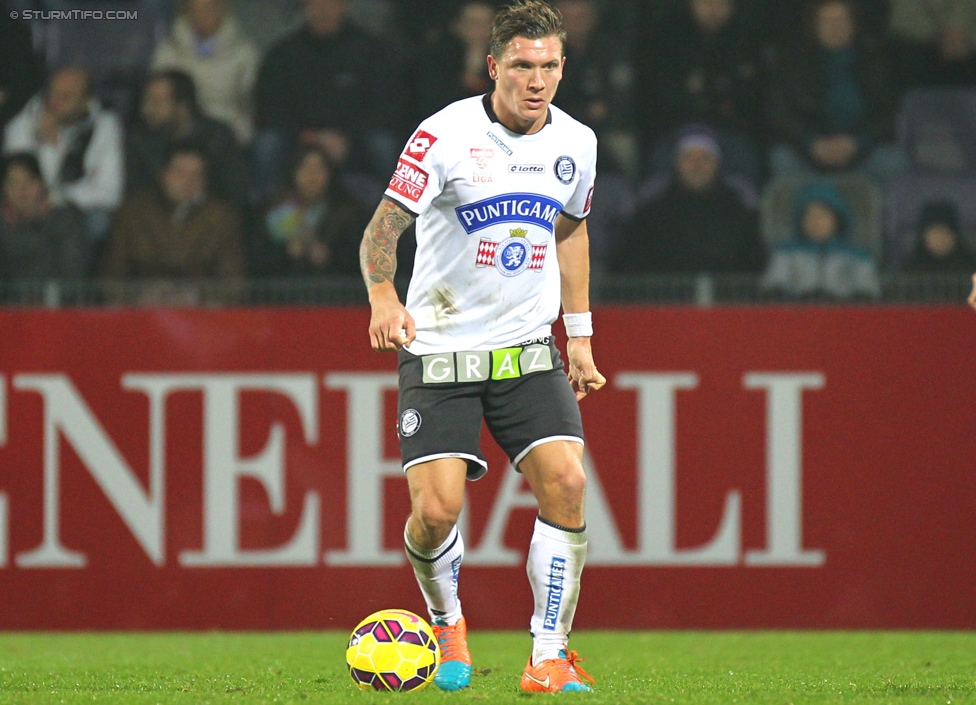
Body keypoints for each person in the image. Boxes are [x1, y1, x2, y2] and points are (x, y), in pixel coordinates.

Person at [359, 0, 604, 693]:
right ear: (493, 65)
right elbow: (383, 228)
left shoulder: (576, 143)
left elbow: (572, 231)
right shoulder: (443, 135)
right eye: (523, 66)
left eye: (550, 65)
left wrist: (579, 338)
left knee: (569, 481)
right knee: (435, 512)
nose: (538, 80)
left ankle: (548, 654)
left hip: (527, 348)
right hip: (440, 350)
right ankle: (446, 618)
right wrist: (383, 296)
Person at [767, 0, 908, 185]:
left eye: (842, 21)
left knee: (894, 162)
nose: (835, 28)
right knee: (781, 159)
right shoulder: (793, 62)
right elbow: (781, 112)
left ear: (854, 25)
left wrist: (857, 142)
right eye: (827, 22)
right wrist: (812, 143)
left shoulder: (874, 61)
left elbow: (887, 112)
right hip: (811, 152)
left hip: (860, 151)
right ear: (814, 26)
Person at [100, 143, 246, 305]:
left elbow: (232, 279)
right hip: (141, 314)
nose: (188, 182)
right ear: (163, 174)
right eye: (180, 173)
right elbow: (113, 274)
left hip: (202, 318)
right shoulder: (133, 214)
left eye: (196, 175)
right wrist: (139, 297)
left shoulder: (222, 218)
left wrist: (196, 297)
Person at [608, 124, 765, 275]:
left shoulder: (739, 213)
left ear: (718, 164)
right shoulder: (652, 216)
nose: (696, 165)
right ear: (676, 163)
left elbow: (754, 264)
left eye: (705, 158)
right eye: (688, 157)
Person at [2, 65, 124, 251]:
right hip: (25, 206)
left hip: (71, 211)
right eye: (53, 93)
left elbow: (109, 193)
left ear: (85, 101)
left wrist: (57, 197)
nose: (55, 102)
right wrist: (47, 146)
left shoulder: (105, 126)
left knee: (98, 222)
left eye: (66, 96)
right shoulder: (24, 124)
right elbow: (17, 181)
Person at [126, 70, 249, 208]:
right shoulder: (139, 139)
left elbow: (236, 193)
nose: (146, 110)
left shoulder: (218, 137)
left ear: (182, 106)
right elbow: (136, 194)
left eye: (157, 103)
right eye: (146, 101)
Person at [151, 0, 259, 144]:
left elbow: (250, 101)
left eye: (208, 9)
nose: (201, 15)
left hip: (229, 132)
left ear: (222, 10)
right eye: (195, 10)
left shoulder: (244, 53)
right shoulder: (168, 51)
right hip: (178, 132)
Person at [760, 179, 881, 300]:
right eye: (809, 216)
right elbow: (775, 281)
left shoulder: (857, 256)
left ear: (836, 219)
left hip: (844, 313)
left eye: (822, 216)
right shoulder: (786, 254)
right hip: (798, 312)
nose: (815, 222)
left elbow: (867, 286)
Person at [259, 145, 365, 276]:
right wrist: (285, 252)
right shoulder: (272, 210)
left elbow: (357, 261)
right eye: (305, 168)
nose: (311, 175)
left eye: (318, 168)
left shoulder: (347, 214)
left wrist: (330, 256)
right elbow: (259, 259)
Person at [0, 152, 88, 283]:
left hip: (53, 300)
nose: (22, 190)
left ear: (41, 184)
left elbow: (72, 273)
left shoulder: (65, 220)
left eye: (29, 181)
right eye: (13, 183)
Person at [901, 199, 976, 273]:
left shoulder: (971, 269)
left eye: (945, 231)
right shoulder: (909, 271)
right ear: (923, 236)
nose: (940, 238)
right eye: (935, 232)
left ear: (955, 235)